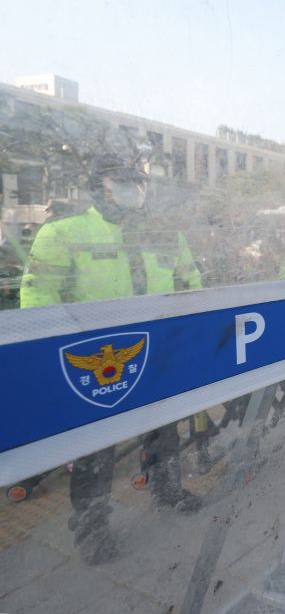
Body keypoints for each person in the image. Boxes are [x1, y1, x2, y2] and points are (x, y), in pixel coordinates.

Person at [20, 152, 204, 565]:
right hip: (97, 360)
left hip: (156, 353)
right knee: (94, 450)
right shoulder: (62, 233)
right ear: (96, 189)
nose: (132, 190)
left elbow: (190, 283)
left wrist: (191, 333)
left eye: (137, 183)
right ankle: (92, 529)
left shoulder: (164, 235)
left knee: (163, 429)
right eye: (119, 182)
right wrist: (53, 354)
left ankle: (167, 492)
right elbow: (36, 296)